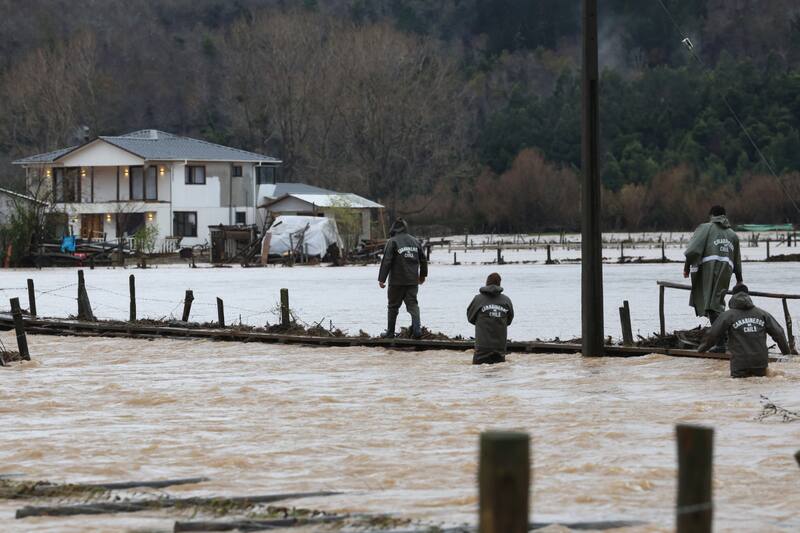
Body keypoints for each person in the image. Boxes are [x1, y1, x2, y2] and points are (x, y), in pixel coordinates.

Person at [698, 284, 790, 377]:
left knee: (740, 388)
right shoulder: (763, 314)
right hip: (760, 363)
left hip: (740, 364)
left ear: (733, 296)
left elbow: (713, 334)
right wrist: (786, 352)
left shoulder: (728, 315)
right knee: (760, 385)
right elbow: (779, 333)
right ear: (748, 295)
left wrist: (702, 349)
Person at [684, 205, 743, 350]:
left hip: (710, 270)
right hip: (726, 271)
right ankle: (728, 338)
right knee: (717, 304)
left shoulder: (705, 228)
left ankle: (721, 343)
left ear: (711, 216)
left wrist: (686, 267)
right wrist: (739, 279)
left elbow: (692, 250)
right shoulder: (733, 235)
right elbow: (737, 260)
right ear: (724, 216)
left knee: (712, 306)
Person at [378, 218, 427, 338]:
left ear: (393, 229)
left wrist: (381, 279)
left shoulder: (392, 241)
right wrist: (422, 276)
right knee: (413, 305)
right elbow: (423, 260)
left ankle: (390, 333)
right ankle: (417, 331)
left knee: (393, 307)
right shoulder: (415, 242)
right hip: (412, 281)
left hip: (396, 282)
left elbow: (387, 261)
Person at [467, 273, 514, 365]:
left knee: (480, 373)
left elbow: (470, 318)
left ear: (486, 283)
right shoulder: (506, 300)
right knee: (499, 373)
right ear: (500, 284)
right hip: (500, 348)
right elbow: (509, 321)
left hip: (482, 348)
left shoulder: (478, 299)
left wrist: (483, 320)